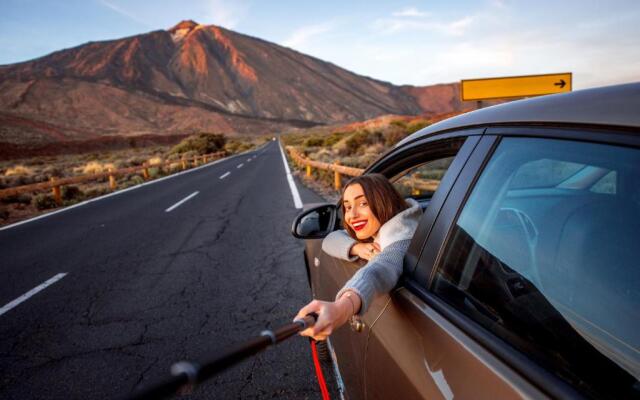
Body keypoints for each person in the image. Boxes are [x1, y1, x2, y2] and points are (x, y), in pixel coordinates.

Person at [295, 173, 422, 341]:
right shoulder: (397, 226)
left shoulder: (401, 241)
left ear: (385, 201)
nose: (352, 215)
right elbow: (330, 239)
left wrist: (341, 308)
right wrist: (357, 247)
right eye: (347, 207)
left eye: (363, 203)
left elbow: (379, 269)